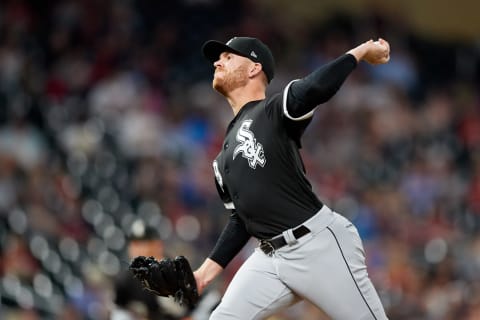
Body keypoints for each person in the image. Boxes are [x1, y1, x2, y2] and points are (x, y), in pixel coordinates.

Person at [193, 36, 391, 320]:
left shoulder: (272, 111)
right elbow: (242, 220)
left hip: (318, 245)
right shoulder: (223, 155)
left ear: (253, 69)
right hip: (269, 258)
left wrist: (360, 51)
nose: (217, 61)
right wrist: (203, 274)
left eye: (228, 57)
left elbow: (314, 89)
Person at [112, 220, 189, 320]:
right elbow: (119, 309)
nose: (138, 249)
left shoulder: (175, 271)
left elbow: (191, 309)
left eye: (144, 244)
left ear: (158, 246)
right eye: (135, 244)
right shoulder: (126, 279)